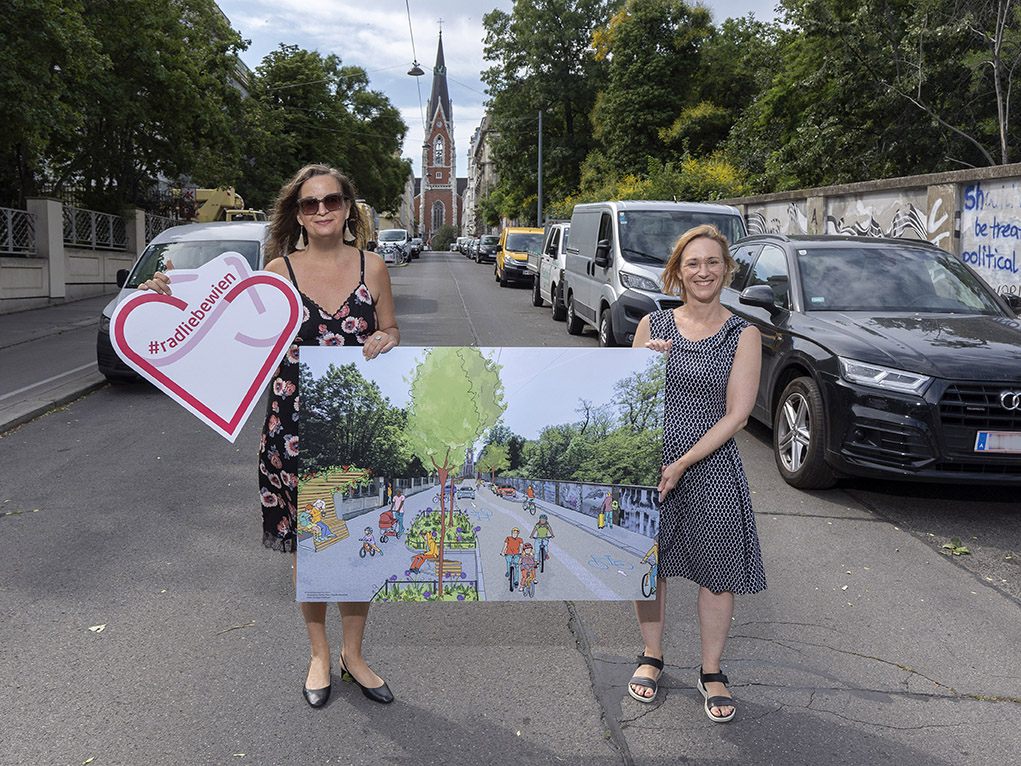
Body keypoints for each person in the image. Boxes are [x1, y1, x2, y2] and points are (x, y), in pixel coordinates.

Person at [140, 163, 399, 708]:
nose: (322, 210)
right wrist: (162, 294)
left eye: (332, 200)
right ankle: (319, 656)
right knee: (312, 544)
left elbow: (390, 328)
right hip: (293, 431)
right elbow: (213, 322)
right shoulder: (277, 271)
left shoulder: (373, 268)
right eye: (310, 203)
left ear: (349, 207)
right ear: (298, 213)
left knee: (355, 544)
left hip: (357, 430)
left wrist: (387, 339)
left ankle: (355, 655)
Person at [626, 224, 765, 723]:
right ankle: (652, 655)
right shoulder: (653, 326)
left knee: (717, 572)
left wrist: (684, 462)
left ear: (726, 270)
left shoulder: (742, 333)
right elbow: (625, 396)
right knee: (650, 565)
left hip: (710, 466)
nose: (703, 272)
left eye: (712, 263)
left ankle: (711, 670)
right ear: (676, 273)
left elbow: (738, 415)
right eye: (693, 264)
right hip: (651, 461)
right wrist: (641, 363)